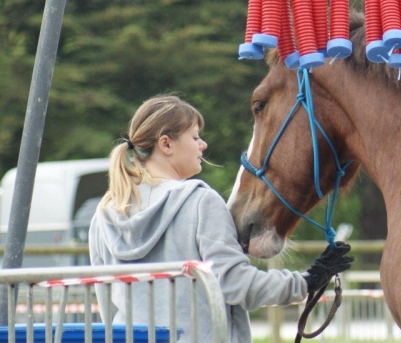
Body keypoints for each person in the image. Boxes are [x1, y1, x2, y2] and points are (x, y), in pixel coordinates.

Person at [89, 95, 353, 342]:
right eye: (195, 137)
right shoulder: (199, 201)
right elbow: (237, 284)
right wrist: (308, 281)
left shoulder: (104, 215)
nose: (203, 145)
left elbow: (106, 303)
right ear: (166, 144)